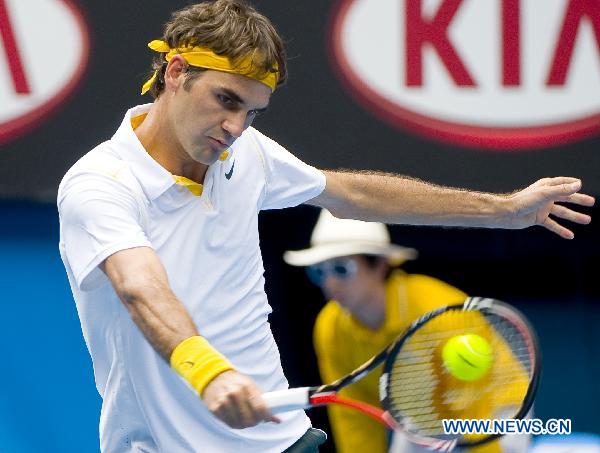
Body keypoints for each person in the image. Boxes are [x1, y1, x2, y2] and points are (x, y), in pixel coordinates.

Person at [56, 1, 594, 452]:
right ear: (175, 71)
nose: (237, 127)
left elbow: (355, 194)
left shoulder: (248, 156)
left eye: (253, 112)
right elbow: (140, 286)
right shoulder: (100, 184)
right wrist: (208, 372)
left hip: (284, 443)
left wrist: (505, 209)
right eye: (226, 100)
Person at [284, 209, 531, 453]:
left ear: (380, 265)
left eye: (341, 268)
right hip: (425, 414)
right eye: (319, 271)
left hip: (498, 408)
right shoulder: (330, 327)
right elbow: (351, 415)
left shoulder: (439, 311)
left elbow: (477, 402)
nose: (330, 283)